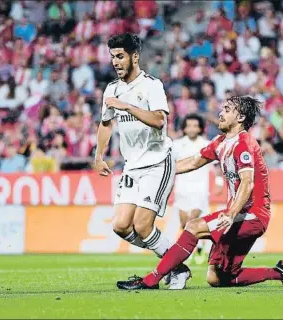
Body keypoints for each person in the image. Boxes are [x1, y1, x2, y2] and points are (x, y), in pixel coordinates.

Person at [117, 96, 283, 290]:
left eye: (227, 110)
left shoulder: (244, 144)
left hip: (252, 215)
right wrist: (154, 170)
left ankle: (150, 280)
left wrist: (230, 215)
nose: (220, 113)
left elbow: (247, 183)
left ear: (240, 117)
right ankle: (278, 272)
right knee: (217, 278)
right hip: (239, 215)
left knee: (194, 226)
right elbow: (192, 162)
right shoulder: (221, 142)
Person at [94, 33, 190, 290]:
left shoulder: (151, 85)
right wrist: (99, 156)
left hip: (158, 161)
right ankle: (174, 262)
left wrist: (126, 106)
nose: (115, 62)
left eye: (120, 56)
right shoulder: (112, 89)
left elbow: (160, 120)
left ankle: (177, 269)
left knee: (143, 225)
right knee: (121, 226)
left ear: (134, 56)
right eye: (112, 56)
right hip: (132, 166)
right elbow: (105, 124)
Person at [172, 114, 223, 265]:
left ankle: (190, 252)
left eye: (195, 126)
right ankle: (199, 247)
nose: (192, 128)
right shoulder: (177, 144)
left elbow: (216, 166)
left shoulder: (206, 144)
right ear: (184, 128)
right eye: (189, 126)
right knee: (183, 224)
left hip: (200, 188)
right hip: (181, 188)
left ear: (200, 128)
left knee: (192, 220)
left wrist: (219, 182)